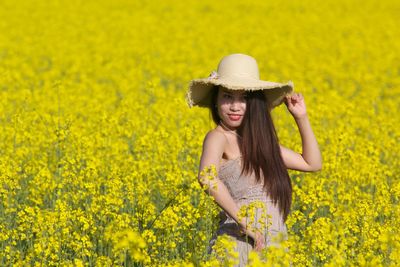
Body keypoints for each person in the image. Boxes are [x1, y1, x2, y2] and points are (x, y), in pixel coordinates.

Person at [186, 53, 322, 266]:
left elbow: (312, 164)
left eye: (244, 98)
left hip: (274, 246)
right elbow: (207, 177)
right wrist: (244, 222)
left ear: (255, 103)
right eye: (227, 96)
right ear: (215, 100)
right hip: (239, 243)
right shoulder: (218, 137)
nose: (235, 106)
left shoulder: (262, 146)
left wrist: (301, 117)